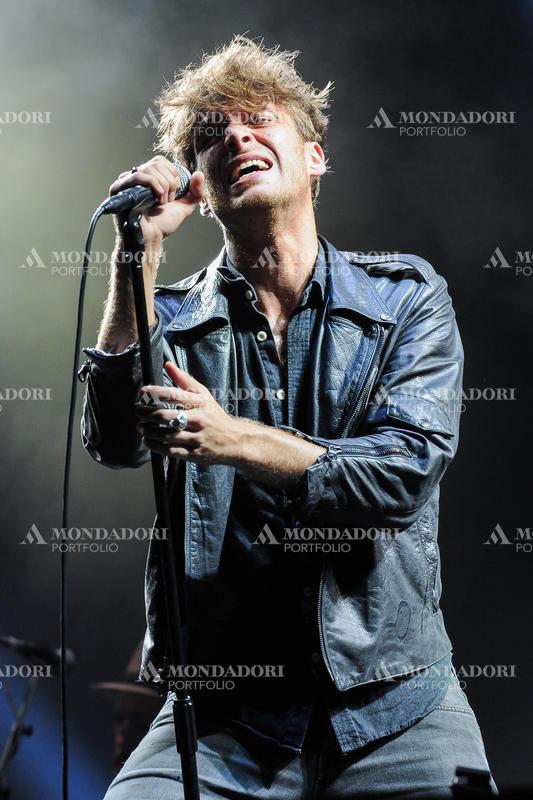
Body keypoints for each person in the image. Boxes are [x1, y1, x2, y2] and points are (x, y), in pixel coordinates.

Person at [82, 35, 497, 799]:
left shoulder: (405, 298)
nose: (235, 136)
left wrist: (233, 437)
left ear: (313, 156)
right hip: (218, 719)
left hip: (394, 704)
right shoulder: (167, 318)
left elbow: (400, 474)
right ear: (198, 186)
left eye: (256, 120)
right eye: (212, 135)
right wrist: (132, 258)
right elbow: (110, 442)